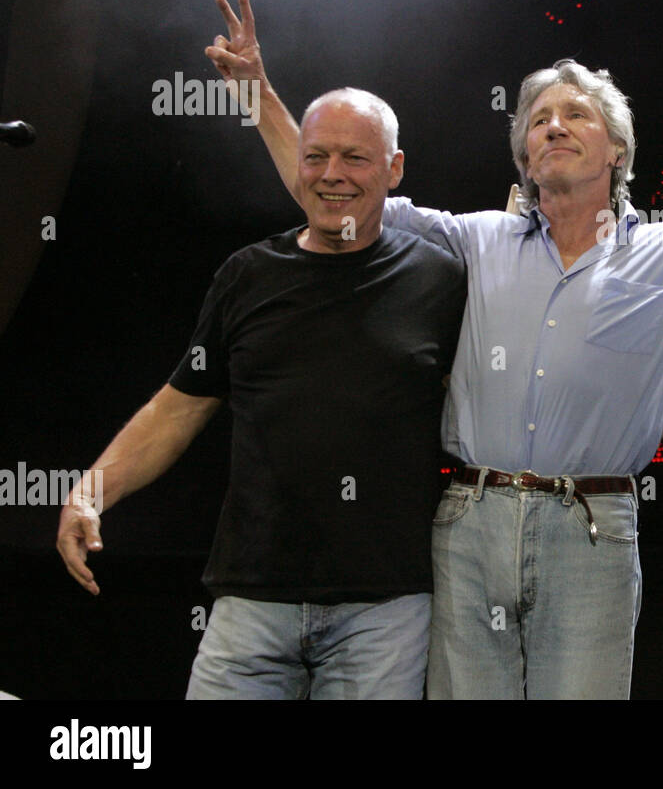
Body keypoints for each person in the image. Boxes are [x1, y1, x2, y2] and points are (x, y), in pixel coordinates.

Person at [206, 4, 663, 697]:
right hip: (471, 523)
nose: (554, 126)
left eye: (576, 115)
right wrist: (258, 92)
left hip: (591, 530)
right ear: (524, 157)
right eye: (538, 120)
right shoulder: (473, 240)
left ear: (618, 149)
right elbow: (336, 195)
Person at [56, 90, 465, 699]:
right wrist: (89, 493)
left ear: (394, 168)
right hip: (252, 599)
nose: (331, 174)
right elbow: (177, 407)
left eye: (354, 157)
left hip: (386, 611)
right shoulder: (247, 275)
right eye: (316, 155)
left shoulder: (441, 278)